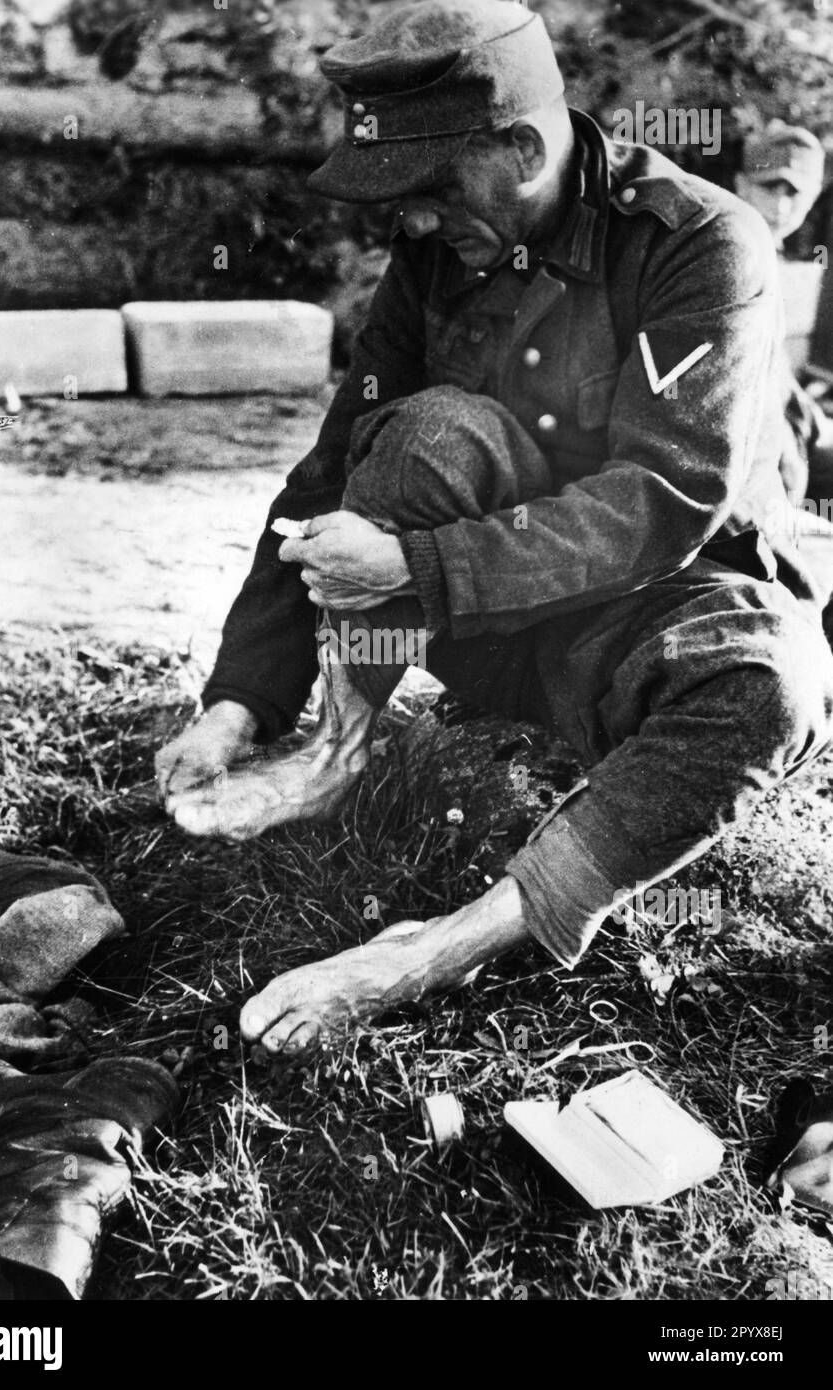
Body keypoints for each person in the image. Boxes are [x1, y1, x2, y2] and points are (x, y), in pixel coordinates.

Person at [155, 0, 833, 1057]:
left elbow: (660, 501)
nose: (408, 225)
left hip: (646, 625)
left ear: (522, 146)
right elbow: (334, 468)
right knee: (423, 433)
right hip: (499, 634)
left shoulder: (701, 246)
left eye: (425, 191)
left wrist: (417, 563)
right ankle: (336, 749)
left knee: (773, 681)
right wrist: (241, 701)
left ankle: (439, 944)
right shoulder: (445, 251)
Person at [735, 122, 833, 507]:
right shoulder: (728, 255)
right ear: (741, 185)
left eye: (795, 193)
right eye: (768, 187)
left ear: (812, 199)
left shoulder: (768, 255)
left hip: (787, 429)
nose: (781, 207)